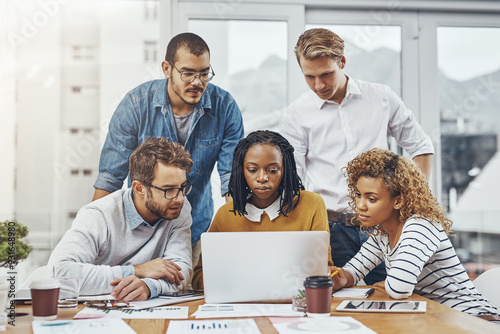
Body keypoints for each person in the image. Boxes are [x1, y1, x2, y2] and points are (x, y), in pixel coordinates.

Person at [279, 28, 434, 285]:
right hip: (330, 230)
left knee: (392, 302)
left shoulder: (381, 97)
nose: (319, 85)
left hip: (383, 226)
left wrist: (411, 203)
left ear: (342, 62)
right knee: (331, 307)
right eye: (310, 77)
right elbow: (295, 181)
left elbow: (421, 147)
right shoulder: (296, 114)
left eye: (326, 74)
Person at [92, 32, 244, 268]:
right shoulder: (135, 105)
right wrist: (93, 236)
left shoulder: (225, 107)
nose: (197, 82)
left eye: (204, 74)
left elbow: (231, 180)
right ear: (166, 68)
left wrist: (240, 242)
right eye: (188, 73)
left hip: (193, 228)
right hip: (138, 234)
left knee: (186, 293)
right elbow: (110, 179)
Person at [330, 148, 500, 320]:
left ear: (398, 201)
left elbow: (398, 288)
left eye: (371, 198)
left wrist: (386, 286)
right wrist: (342, 278)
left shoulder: (420, 226)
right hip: (437, 318)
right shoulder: (382, 234)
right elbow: (354, 270)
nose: (360, 205)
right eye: (358, 195)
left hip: (474, 320)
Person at [48, 138, 193, 301]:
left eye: (182, 187)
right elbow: (59, 273)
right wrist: (137, 270)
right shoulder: (99, 215)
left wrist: (149, 286)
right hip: (90, 312)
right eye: (169, 189)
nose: (180, 198)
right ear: (139, 189)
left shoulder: (178, 207)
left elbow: (181, 272)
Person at [191, 130, 333, 290]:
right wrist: (239, 282)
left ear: (284, 170)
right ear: (241, 171)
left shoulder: (311, 204)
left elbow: (323, 269)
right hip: (241, 304)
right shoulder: (226, 214)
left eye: (272, 170)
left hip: (295, 304)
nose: (262, 178)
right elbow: (199, 277)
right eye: (252, 170)